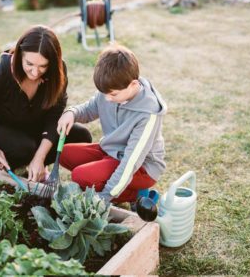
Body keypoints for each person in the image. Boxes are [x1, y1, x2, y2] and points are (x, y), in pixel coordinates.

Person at [0, 25, 92, 182]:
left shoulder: (57, 72)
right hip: (4, 130)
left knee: (81, 136)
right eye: (29, 64)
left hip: (35, 128)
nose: (35, 73)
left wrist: (40, 158)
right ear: (19, 54)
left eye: (43, 66)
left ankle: (35, 163)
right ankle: (17, 160)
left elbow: (54, 117)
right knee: (24, 148)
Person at [57, 44, 167, 204]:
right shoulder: (111, 90)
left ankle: (136, 195)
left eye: (113, 94)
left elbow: (131, 162)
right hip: (112, 152)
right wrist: (71, 113)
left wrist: (105, 196)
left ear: (133, 85)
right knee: (64, 153)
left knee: (80, 176)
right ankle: (113, 180)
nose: (107, 99)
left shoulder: (148, 114)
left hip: (141, 168)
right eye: (104, 93)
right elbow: (89, 109)